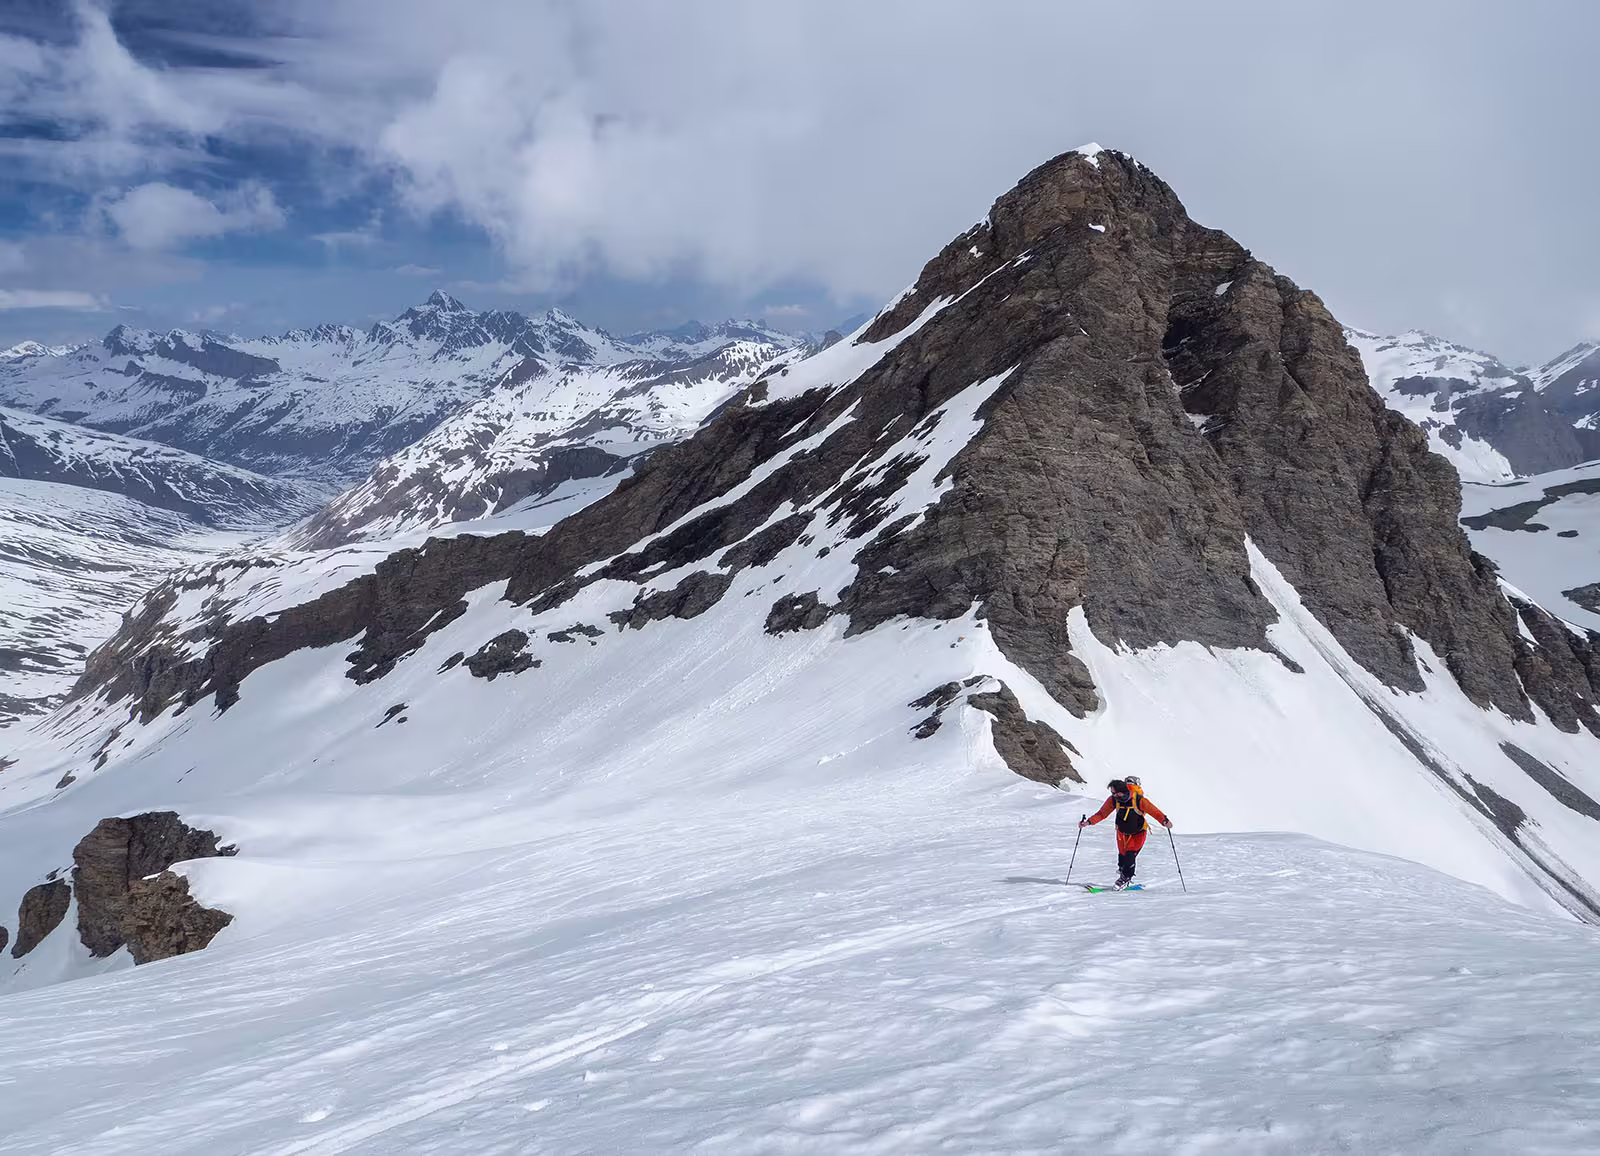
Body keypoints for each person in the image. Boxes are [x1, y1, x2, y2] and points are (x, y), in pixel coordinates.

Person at [1080, 776, 1171, 888]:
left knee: (1130, 855)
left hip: (1138, 833)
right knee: (1122, 858)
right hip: (1121, 833)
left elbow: (1154, 812)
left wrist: (1164, 821)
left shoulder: (1139, 800)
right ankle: (1123, 871)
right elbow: (1102, 814)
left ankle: (1125, 878)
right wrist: (1088, 822)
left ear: (1122, 791)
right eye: (1112, 793)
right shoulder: (1113, 800)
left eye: (1115, 793)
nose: (1113, 796)